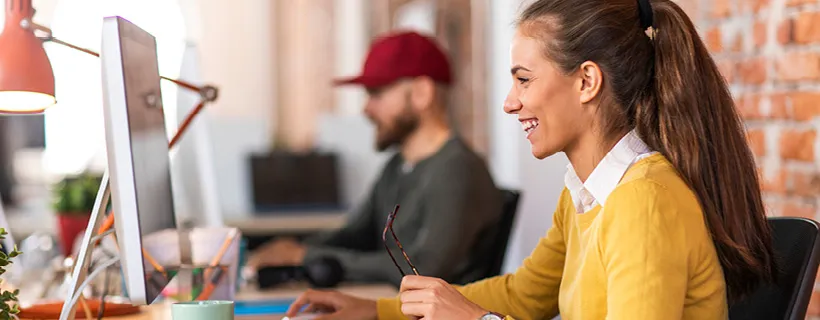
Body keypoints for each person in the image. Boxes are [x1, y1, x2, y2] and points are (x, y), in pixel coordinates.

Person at [283, 0, 779, 319]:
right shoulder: (585, 194)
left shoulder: (643, 201)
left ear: (587, 81)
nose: (509, 102)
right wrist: (378, 311)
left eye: (524, 79)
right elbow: (525, 295)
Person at [247, 31, 503, 287]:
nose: (366, 108)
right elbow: (356, 233)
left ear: (421, 93)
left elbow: (422, 268)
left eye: (376, 93)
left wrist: (307, 256)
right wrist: (293, 249)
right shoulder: (398, 166)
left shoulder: (458, 169)